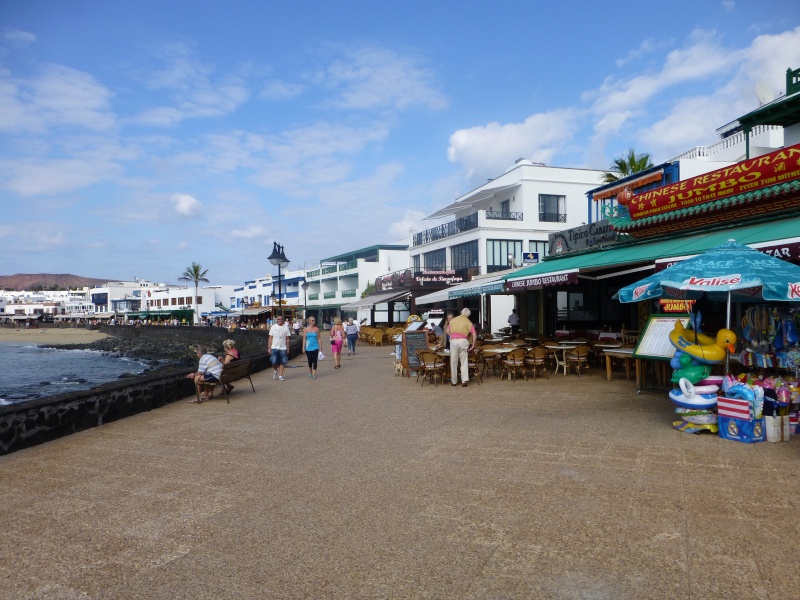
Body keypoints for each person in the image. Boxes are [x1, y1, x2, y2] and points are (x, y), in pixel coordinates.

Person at [449, 308, 477, 387]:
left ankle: (454, 381)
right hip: (463, 341)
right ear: (468, 315)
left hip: (454, 341)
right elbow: (474, 334)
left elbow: (448, 331)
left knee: (453, 361)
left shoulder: (453, 320)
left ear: (461, 312)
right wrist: (473, 345)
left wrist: (452, 336)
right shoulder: (468, 322)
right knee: (464, 361)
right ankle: (464, 381)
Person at [268, 315, 291, 381]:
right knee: (273, 361)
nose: (280, 320)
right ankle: (275, 370)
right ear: (276, 320)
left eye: (281, 319)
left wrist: (288, 348)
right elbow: (270, 338)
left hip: (283, 347)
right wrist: (269, 348)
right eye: (279, 319)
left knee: (283, 361)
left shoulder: (286, 327)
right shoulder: (273, 327)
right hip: (275, 346)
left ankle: (280, 375)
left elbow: (287, 339)